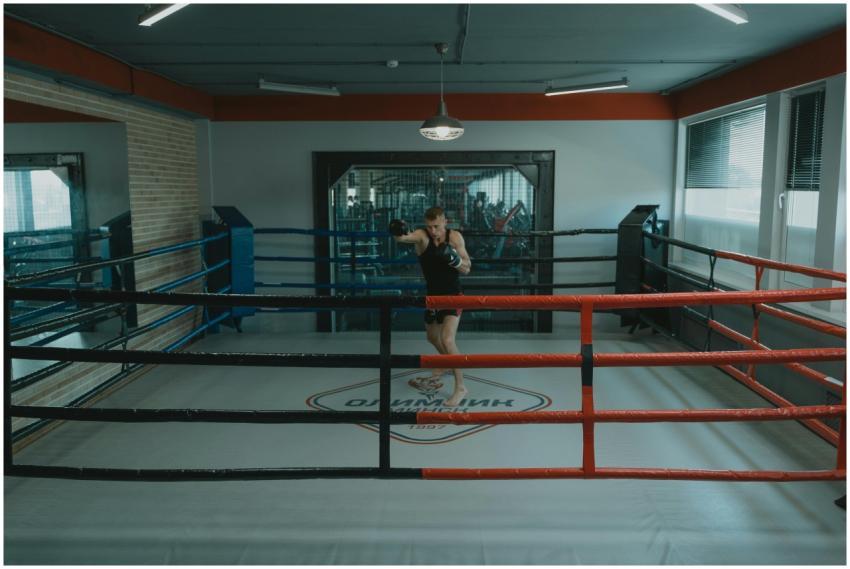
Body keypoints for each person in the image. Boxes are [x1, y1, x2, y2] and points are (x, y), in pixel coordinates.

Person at [389, 207, 472, 407]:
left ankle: (461, 387)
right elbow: (403, 239)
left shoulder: (455, 237)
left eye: (436, 226)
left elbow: (467, 268)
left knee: (447, 338)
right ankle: (446, 362)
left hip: (453, 296)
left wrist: (454, 259)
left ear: (445, 221)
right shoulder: (422, 236)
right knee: (432, 337)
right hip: (433, 297)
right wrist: (397, 231)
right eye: (429, 226)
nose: (433, 230)